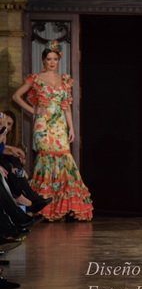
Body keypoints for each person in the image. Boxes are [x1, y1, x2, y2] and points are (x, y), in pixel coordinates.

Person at [12, 40, 93, 222]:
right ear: (44, 60)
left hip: (60, 126)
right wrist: (33, 110)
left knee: (65, 160)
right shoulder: (36, 78)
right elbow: (16, 96)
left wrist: (71, 128)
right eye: (49, 59)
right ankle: (44, 206)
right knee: (46, 161)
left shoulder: (64, 80)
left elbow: (66, 107)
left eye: (55, 59)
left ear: (58, 61)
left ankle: (67, 206)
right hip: (43, 125)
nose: (52, 62)